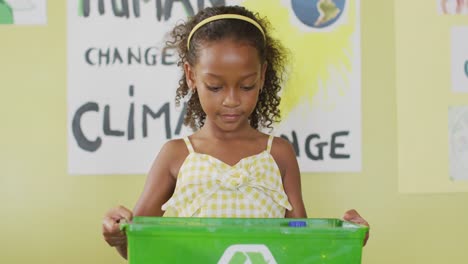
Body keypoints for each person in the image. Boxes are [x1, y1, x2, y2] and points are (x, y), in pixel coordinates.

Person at [102, 5, 370, 259]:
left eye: (246, 86)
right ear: (191, 75)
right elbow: (139, 246)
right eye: (215, 87)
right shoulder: (176, 155)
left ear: (262, 75)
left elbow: (299, 243)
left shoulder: (278, 154)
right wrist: (119, 236)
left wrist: (348, 237)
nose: (231, 100)